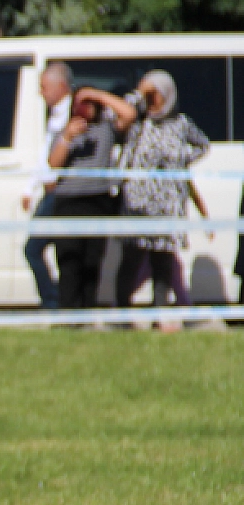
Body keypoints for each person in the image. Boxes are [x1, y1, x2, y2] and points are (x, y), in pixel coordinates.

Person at [79, 74, 211, 328]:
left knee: (162, 263)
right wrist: (141, 92)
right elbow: (118, 113)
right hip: (137, 205)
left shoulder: (181, 124)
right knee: (130, 261)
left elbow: (203, 145)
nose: (153, 102)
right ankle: (123, 316)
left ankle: (158, 315)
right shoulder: (138, 123)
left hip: (167, 205)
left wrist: (179, 158)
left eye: (156, 95)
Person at [46, 88, 121, 309]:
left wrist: (96, 94)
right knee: (69, 260)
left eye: (89, 103)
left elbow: (128, 114)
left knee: (92, 260)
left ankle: (87, 312)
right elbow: (54, 163)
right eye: (80, 103)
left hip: (97, 200)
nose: (84, 108)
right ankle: (69, 313)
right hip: (69, 201)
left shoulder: (106, 128)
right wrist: (68, 138)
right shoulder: (64, 130)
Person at [21, 62, 72, 310]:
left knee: (36, 249)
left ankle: (54, 301)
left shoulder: (73, 113)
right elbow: (45, 155)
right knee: (36, 249)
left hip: (63, 192)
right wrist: (30, 187)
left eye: (44, 87)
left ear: (61, 87)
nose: (41, 93)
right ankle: (55, 299)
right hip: (50, 191)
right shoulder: (54, 116)